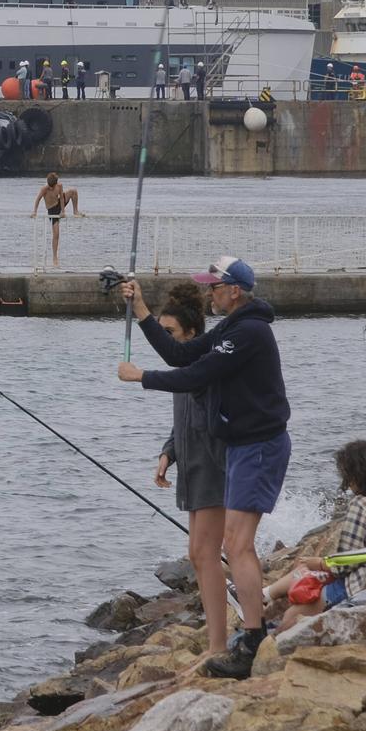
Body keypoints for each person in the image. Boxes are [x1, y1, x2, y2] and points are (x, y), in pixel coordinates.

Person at [117, 255, 290, 679]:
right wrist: (139, 309)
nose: (209, 292)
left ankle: (253, 639)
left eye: (215, 286)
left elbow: (195, 375)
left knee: (237, 545)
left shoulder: (248, 332)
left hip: (259, 446)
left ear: (235, 291)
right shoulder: (230, 330)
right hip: (242, 448)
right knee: (229, 545)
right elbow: (179, 354)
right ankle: (248, 636)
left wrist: (141, 377)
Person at [143, 282, 230, 657]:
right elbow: (183, 421)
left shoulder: (204, 365)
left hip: (214, 467)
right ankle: (219, 631)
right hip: (191, 468)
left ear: (192, 334)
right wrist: (168, 453)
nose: (166, 342)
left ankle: (219, 644)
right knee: (198, 555)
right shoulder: (185, 365)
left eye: (170, 334)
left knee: (205, 554)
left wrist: (139, 375)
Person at [263, 441, 366, 630]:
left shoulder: (361, 505)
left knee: (292, 615)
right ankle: (264, 595)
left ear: (353, 474)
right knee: (306, 572)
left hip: (362, 584)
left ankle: (261, 639)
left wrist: (319, 563)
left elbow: (343, 565)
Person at [29, 172, 80, 267]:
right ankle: (55, 258)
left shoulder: (59, 186)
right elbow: (37, 200)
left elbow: (61, 198)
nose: (51, 188)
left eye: (53, 186)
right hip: (52, 210)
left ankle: (75, 211)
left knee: (73, 191)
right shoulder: (44, 189)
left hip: (59, 205)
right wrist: (34, 212)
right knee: (56, 234)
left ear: (56, 183)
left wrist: (63, 211)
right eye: (50, 186)